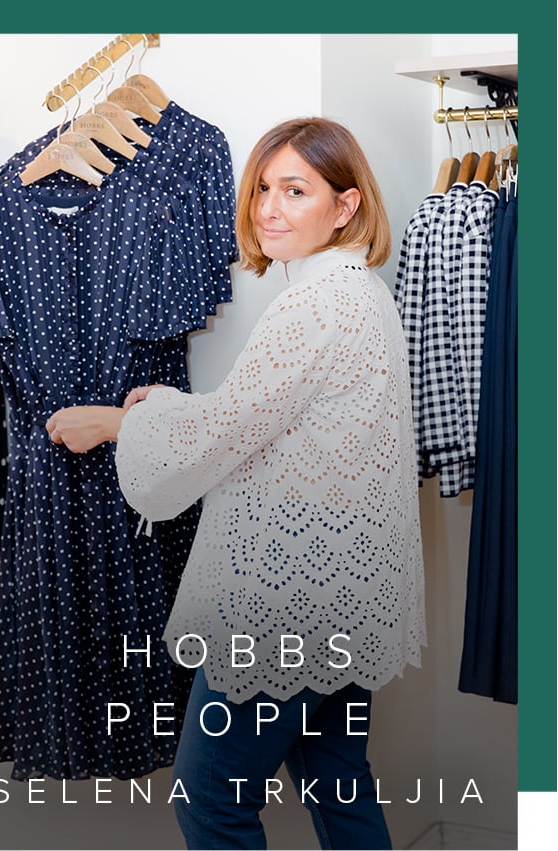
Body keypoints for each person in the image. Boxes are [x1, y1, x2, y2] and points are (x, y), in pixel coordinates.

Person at [46, 117, 426, 850]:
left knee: (210, 798)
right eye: (260, 189)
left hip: (288, 606)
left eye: (295, 189)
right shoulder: (359, 290)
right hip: (344, 595)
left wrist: (113, 422)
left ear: (345, 206)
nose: (268, 208)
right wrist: (168, 405)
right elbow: (267, 417)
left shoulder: (316, 304)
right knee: (339, 786)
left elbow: (225, 436)